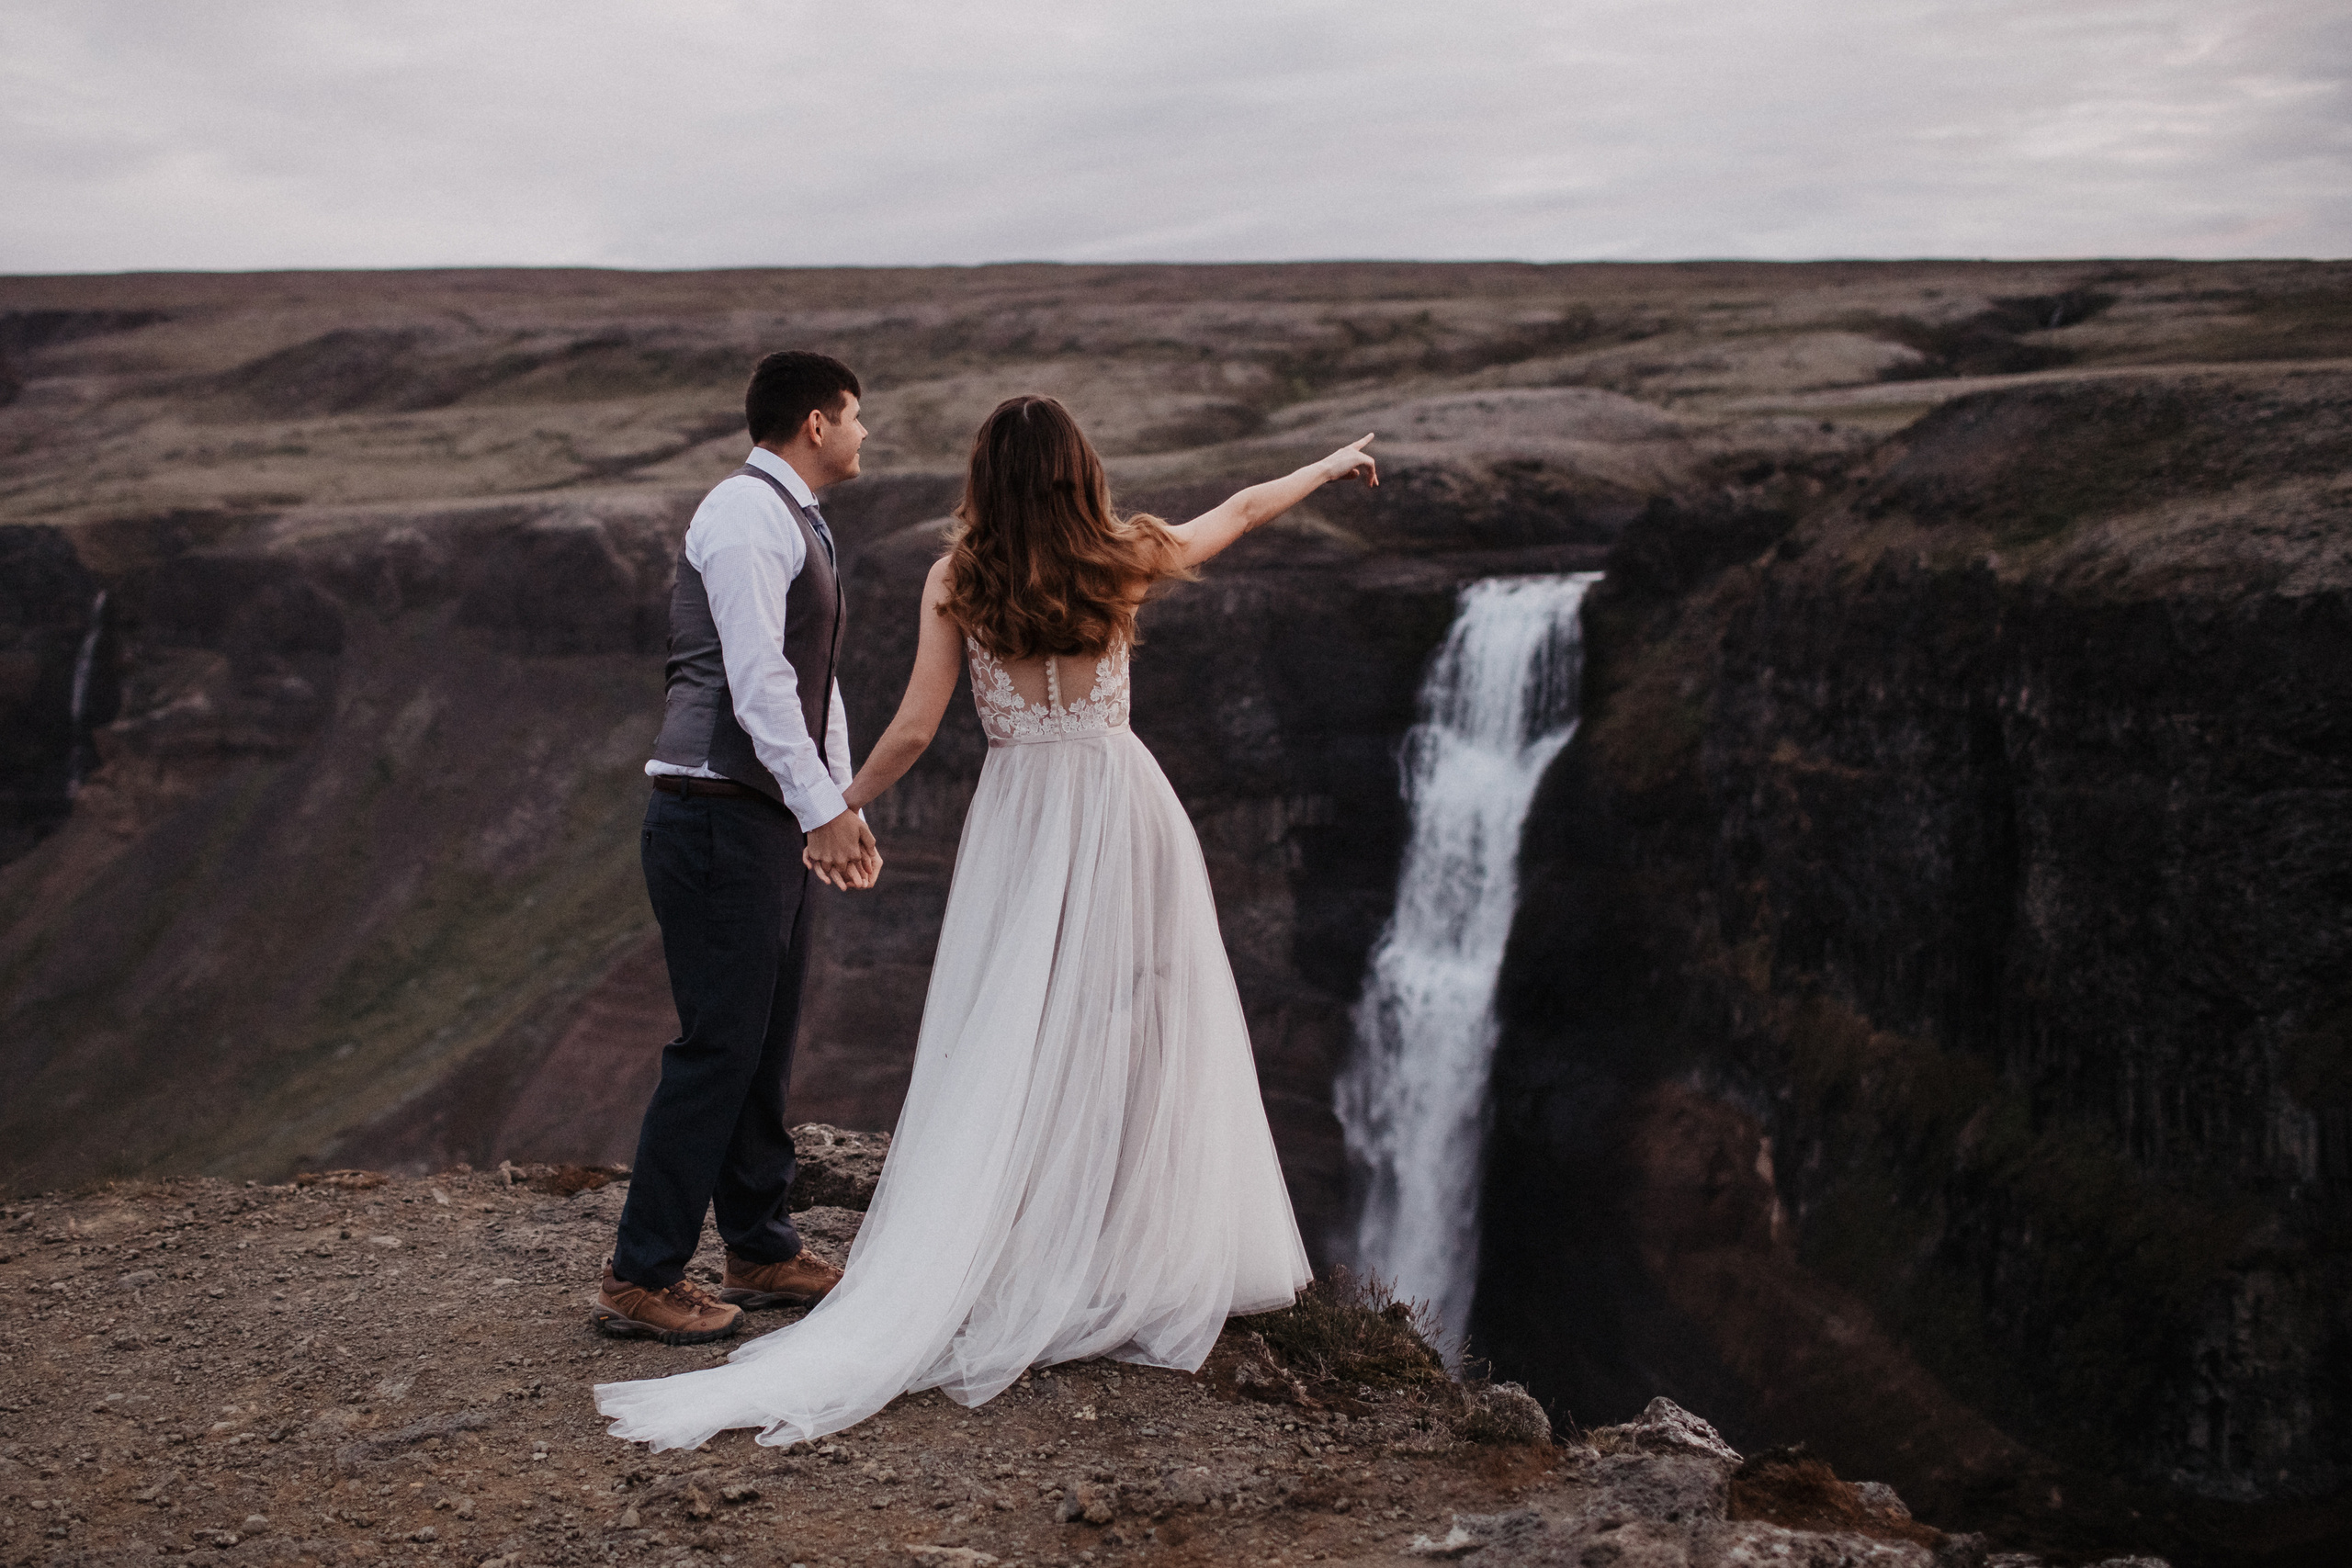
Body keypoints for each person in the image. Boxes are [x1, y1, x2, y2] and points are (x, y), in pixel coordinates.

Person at [594, 395, 1378, 1450]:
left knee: (1012, 1019)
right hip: (1120, 802)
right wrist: (1327, 466)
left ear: (985, 480)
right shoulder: (1123, 556)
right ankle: (1124, 1254)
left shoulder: (957, 578)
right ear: (1077, 471)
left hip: (1019, 814)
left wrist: (844, 808)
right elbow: (1238, 508)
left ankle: (1017, 1246)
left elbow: (917, 726)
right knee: (1132, 1018)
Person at [591, 351, 883, 1347]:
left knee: (763, 1037)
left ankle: (758, 1243)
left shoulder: (795, 518)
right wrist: (816, 811)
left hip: (757, 816)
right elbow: (758, 683)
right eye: (856, 416)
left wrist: (833, 805)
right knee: (717, 1045)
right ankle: (640, 1275)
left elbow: (816, 679)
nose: (863, 432)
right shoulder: (748, 515)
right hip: (715, 815)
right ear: (814, 422)